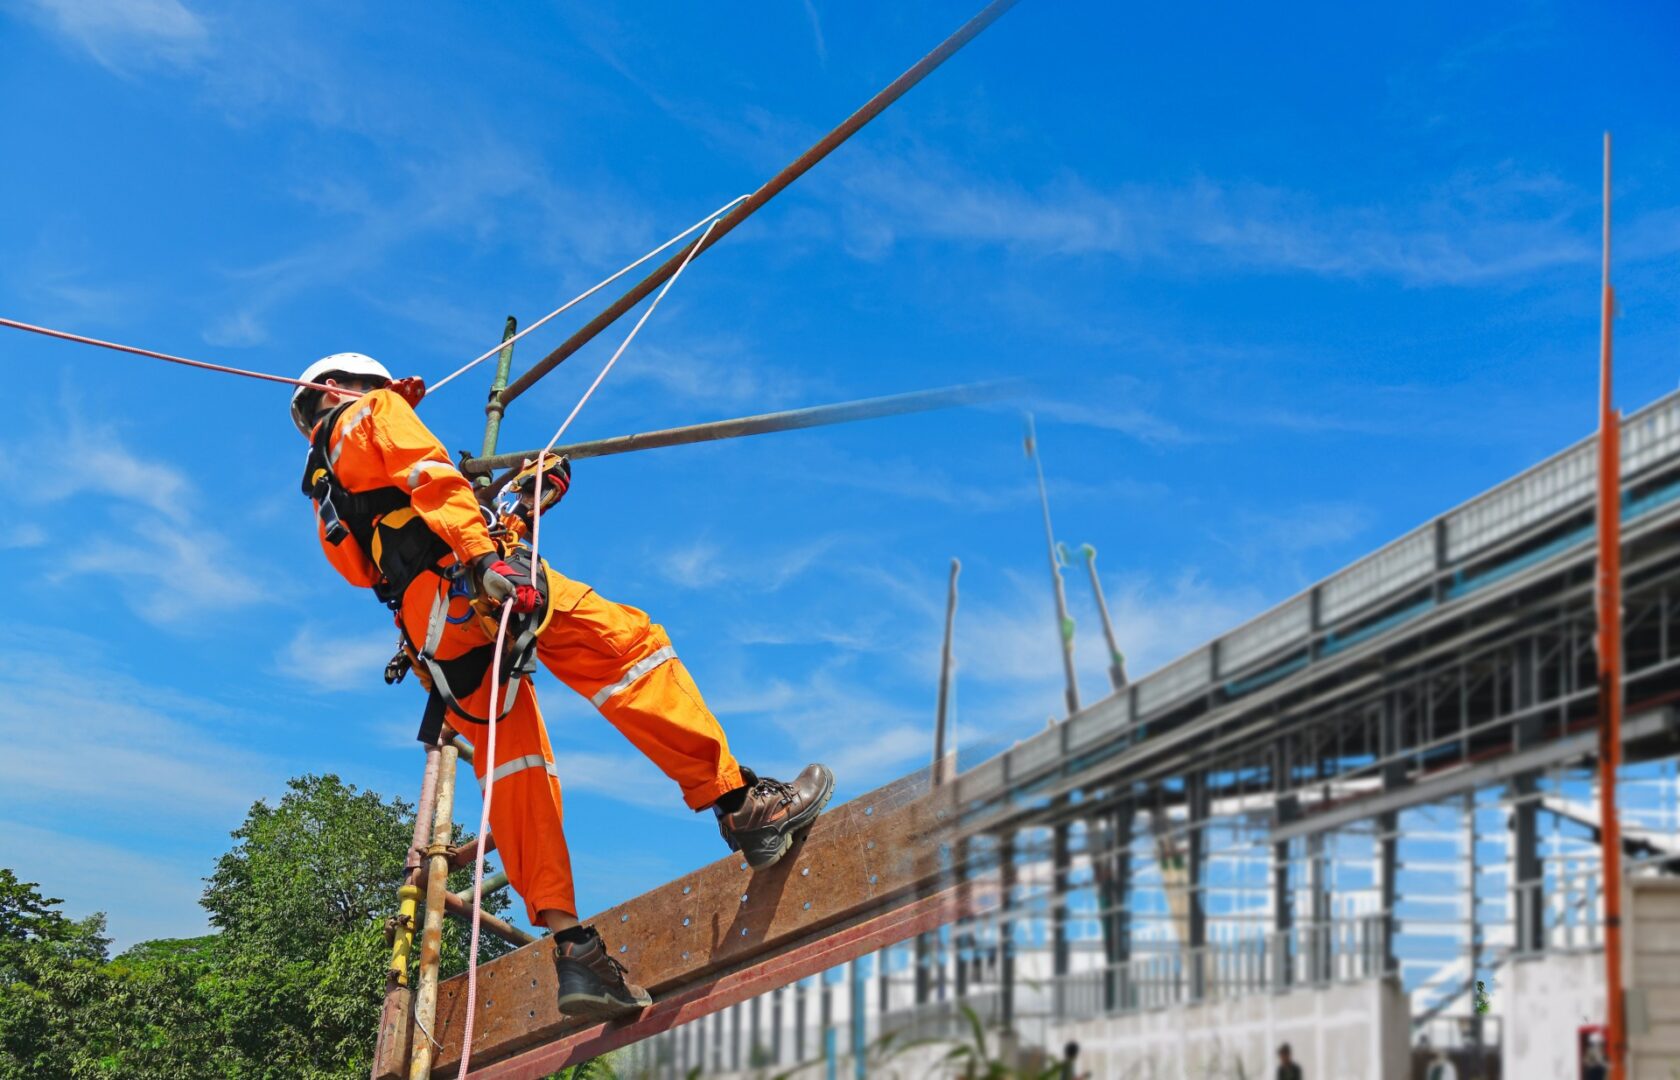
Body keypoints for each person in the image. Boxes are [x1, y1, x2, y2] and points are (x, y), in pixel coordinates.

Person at [291, 354, 835, 1020]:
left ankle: (574, 949)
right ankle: (743, 803)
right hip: (470, 589)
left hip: (434, 635)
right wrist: (490, 557)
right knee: (628, 651)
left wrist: (519, 509)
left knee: (518, 774)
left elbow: (401, 547)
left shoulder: (328, 494)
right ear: (345, 388)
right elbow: (432, 479)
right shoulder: (372, 412)